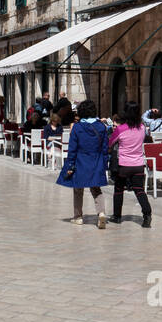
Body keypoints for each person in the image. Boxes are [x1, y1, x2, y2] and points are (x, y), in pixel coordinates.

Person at [57, 98, 109, 229]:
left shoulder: (77, 127)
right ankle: (101, 212)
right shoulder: (101, 127)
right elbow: (105, 148)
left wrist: (69, 164)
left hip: (81, 161)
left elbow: (72, 148)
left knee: (78, 189)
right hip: (96, 160)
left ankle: (78, 217)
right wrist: (104, 164)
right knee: (96, 189)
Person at [108, 101, 152, 228]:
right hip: (138, 164)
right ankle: (147, 214)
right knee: (139, 190)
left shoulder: (120, 129)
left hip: (124, 165)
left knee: (118, 189)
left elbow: (110, 143)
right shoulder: (142, 128)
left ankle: (117, 216)